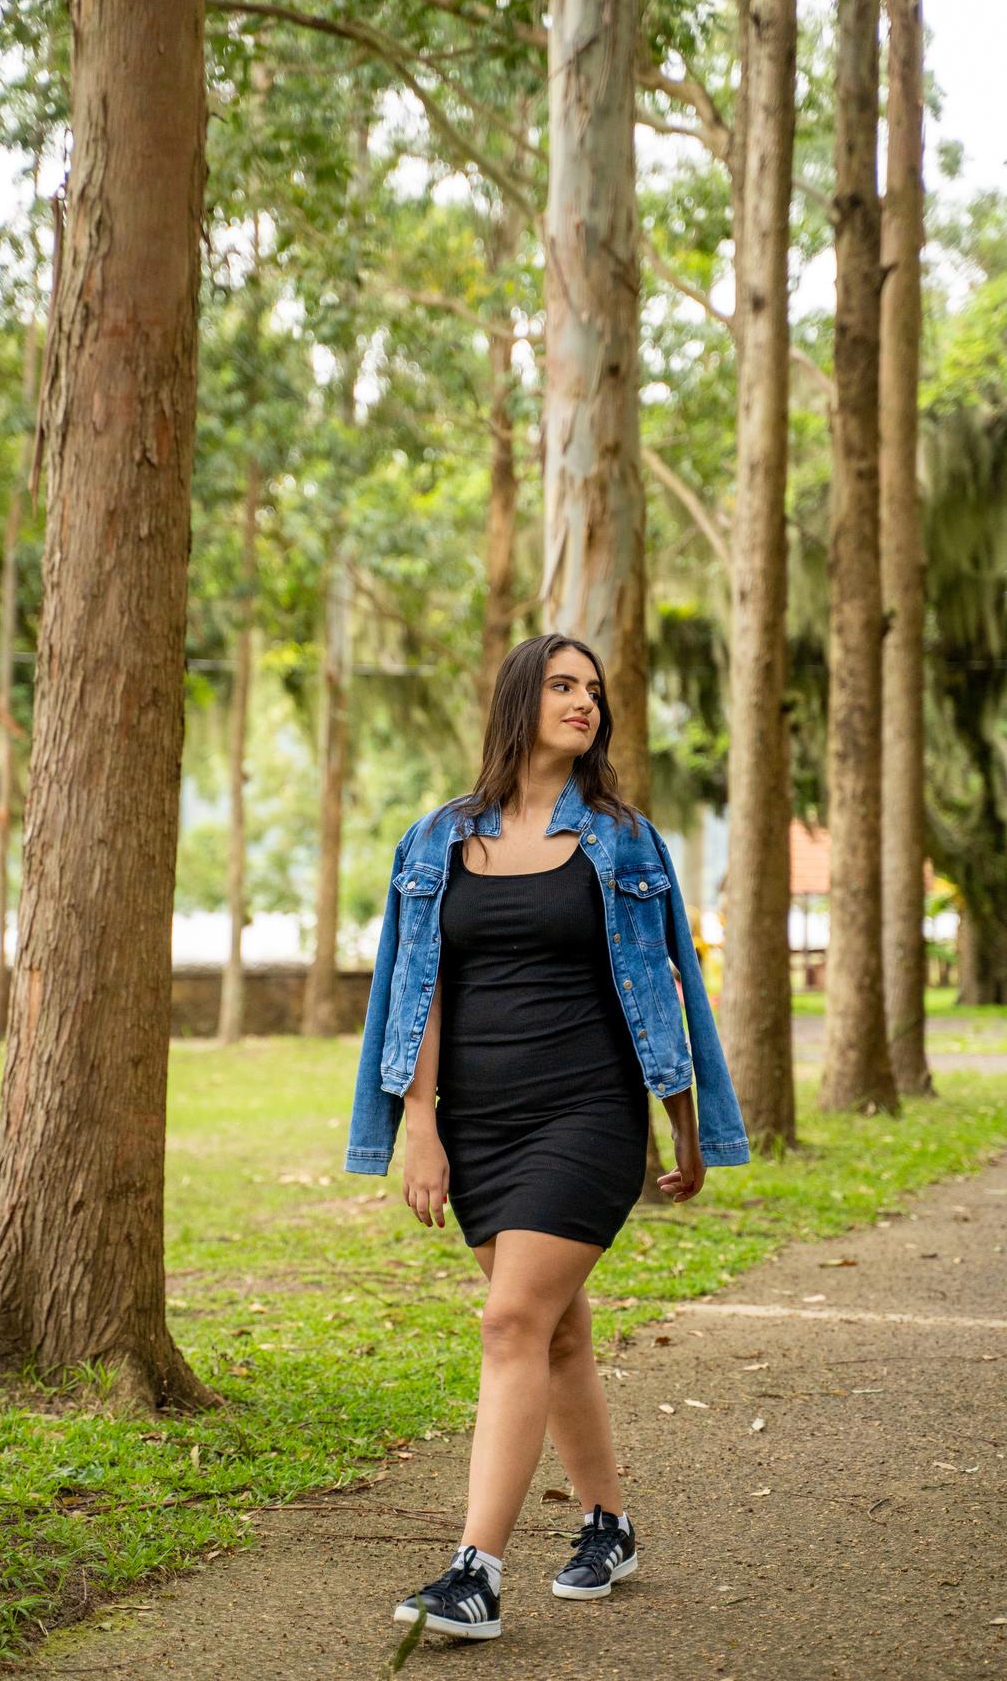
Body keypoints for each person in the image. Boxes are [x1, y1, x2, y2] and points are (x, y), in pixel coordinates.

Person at [344, 634, 749, 1641]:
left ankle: (474, 1571)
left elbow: (669, 992)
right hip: (479, 1121)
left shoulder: (622, 841)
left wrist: (685, 1125)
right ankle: (607, 1522)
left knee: (509, 1321)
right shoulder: (437, 840)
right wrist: (420, 1130)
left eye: (596, 692)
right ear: (519, 701)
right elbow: (417, 991)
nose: (586, 703)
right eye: (565, 686)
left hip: (588, 1112)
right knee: (555, 1325)